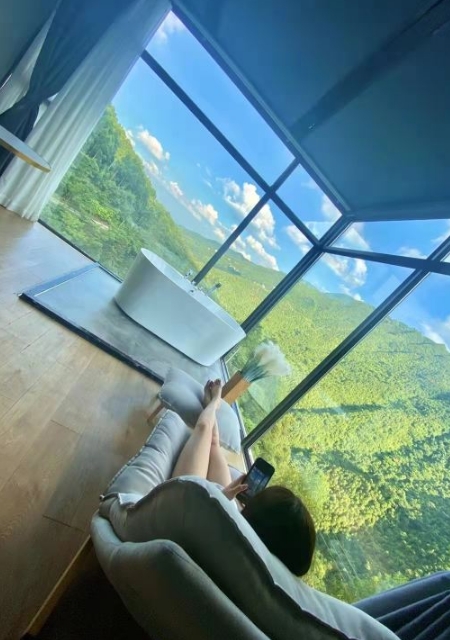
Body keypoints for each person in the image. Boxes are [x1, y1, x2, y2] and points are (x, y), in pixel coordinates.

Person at [172, 378, 316, 577]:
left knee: (204, 430)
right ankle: (212, 404)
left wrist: (219, 499)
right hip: (227, 512)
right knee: (213, 445)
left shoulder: (222, 545)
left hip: (195, 506)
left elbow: (200, 520)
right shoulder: (259, 573)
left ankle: (214, 403)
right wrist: (230, 501)